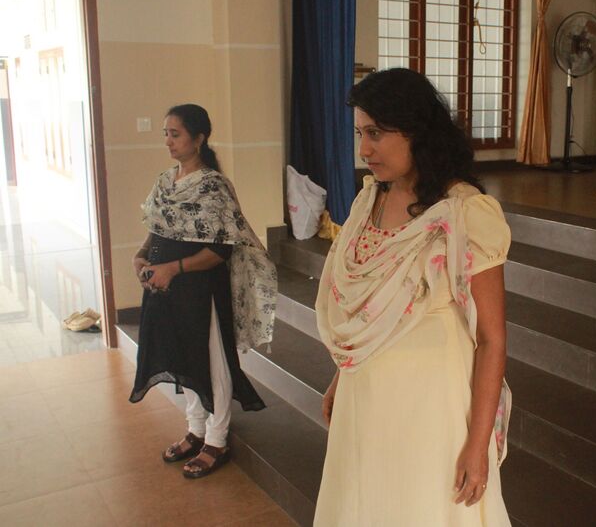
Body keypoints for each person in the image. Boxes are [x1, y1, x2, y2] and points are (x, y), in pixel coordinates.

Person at [314, 68, 512, 526]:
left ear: (417, 130)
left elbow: (492, 338)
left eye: (376, 133)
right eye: (360, 133)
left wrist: (477, 444)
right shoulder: (370, 200)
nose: (364, 150)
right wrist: (342, 375)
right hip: (365, 398)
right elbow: (367, 312)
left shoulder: (464, 213)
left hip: (429, 409)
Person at [128, 104, 277, 479]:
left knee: (213, 360)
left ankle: (217, 438)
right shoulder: (166, 180)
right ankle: (195, 429)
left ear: (199, 139)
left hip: (200, 288)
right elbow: (157, 226)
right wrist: (142, 255)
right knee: (183, 356)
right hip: (166, 287)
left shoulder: (213, 186)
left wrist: (173, 268)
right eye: (165, 133)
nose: (168, 141)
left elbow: (221, 249)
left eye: (175, 134)